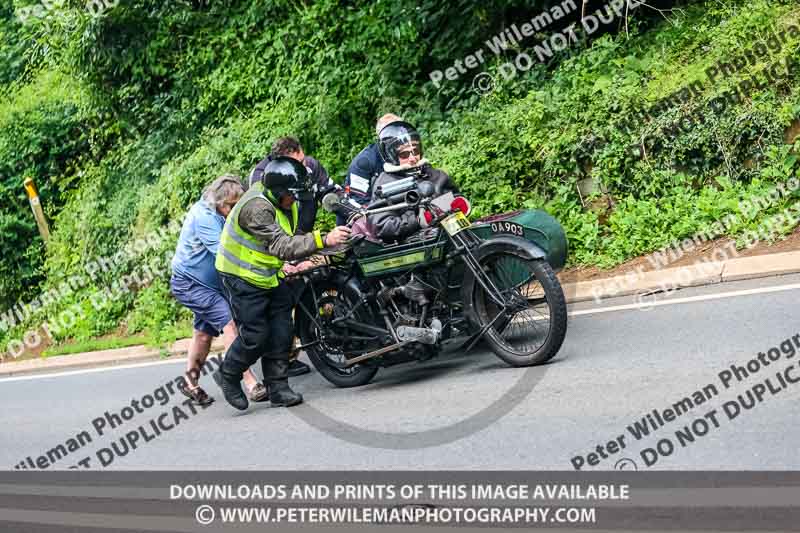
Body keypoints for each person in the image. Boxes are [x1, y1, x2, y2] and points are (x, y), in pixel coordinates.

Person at [213, 157, 351, 410]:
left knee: (282, 330)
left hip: (268, 274)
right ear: (279, 193)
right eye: (293, 195)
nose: (296, 200)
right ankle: (228, 373)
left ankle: (278, 387)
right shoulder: (257, 209)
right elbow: (281, 245)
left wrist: (312, 249)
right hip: (240, 276)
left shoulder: (289, 200)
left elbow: (297, 235)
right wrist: (324, 240)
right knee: (256, 335)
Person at [169, 175, 266, 406]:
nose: (234, 211)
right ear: (219, 202)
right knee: (229, 323)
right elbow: (227, 255)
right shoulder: (204, 217)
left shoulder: (221, 210)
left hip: (210, 284)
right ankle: (249, 380)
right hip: (190, 283)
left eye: (237, 205)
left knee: (203, 334)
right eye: (231, 206)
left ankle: (190, 383)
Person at [249, 137, 339, 377]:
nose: (300, 167)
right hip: (278, 246)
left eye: (300, 160)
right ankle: (285, 357)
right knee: (285, 299)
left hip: (302, 235)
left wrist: (341, 206)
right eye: (293, 163)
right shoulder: (261, 177)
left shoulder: (310, 165)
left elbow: (329, 190)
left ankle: (332, 324)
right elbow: (268, 232)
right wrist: (289, 260)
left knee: (331, 267)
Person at [368, 121, 458, 243]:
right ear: (391, 156)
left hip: (451, 235)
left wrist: (440, 208)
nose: (413, 158)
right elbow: (382, 226)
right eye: (404, 154)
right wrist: (417, 220)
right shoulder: (384, 185)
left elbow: (455, 197)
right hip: (415, 247)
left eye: (415, 151)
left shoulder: (436, 174)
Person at [344, 113, 403, 207]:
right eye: (392, 133)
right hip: (362, 214)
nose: (398, 137)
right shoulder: (364, 162)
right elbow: (359, 202)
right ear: (381, 136)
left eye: (400, 131)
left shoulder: (406, 154)